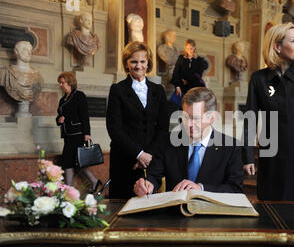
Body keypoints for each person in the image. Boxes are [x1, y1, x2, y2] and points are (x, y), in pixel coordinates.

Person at [242, 22, 294, 201]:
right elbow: (250, 119)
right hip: (270, 159)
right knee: (271, 212)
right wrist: (248, 157)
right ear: (277, 47)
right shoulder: (258, 79)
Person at [133, 87, 243, 196]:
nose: (189, 124)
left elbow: (235, 188)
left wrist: (201, 188)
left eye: (195, 118)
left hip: (212, 212)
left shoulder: (231, 147)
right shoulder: (168, 142)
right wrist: (147, 184)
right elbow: (153, 175)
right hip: (175, 211)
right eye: (186, 117)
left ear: (211, 118)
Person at [106, 41, 169, 199]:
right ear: (127, 63)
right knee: (122, 205)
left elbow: (163, 128)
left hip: (151, 159)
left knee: (149, 205)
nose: (138, 66)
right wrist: (138, 154)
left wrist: (148, 156)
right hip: (125, 159)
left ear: (148, 63)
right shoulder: (117, 90)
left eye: (142, 61)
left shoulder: (158, 91)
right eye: (134, 61)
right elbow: (114, 129)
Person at [56, 72, 101, 192]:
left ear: (70, 82)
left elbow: (84, 116)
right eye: (59, 83)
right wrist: (59, 120)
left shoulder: (79, 95)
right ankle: (72, 188)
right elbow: (59, 116)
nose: (60, 85)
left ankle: (71, 188)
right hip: (67, 136)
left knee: (80, 161)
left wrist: (87, 134)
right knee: (68, 162)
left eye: (62, 82)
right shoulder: (62, 100)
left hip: (78, 135)